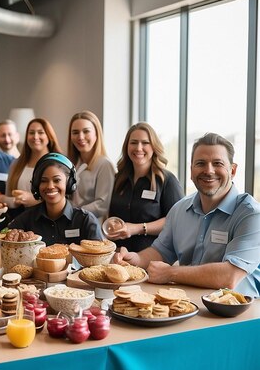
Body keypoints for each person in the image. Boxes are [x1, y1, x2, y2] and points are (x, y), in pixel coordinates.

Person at [114, 133, 260, 297]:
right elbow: (160, 251)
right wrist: (135, 260)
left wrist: (171, 273)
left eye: (217, 163)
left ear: (232, 170)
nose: (208, 170)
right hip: (188, 306)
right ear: (191, 171)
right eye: (200, 163)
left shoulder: (251, 215)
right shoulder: (179, 210)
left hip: (240, 317)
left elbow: (230, 276)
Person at [106, 122, 184, 252]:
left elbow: (177, 220)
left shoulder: (167, 180)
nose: (138, 148)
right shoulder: (118, 179)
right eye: (134, 142)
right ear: (126, 147)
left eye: (145, 143)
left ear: (154, 147)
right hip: (119, 256)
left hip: (153, 256)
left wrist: (137, 228)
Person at [8, 153, 102, 245]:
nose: (50, 186)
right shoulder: (26, 218)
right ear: (37, 185)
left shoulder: (86, 220)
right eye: (43, 181)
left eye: (57, 180)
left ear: (69, 183)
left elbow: (100, 258)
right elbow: (4, 239)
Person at [0, 118, 63, 215]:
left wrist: (34, 200)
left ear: (49, 136)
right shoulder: (16, 164)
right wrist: (3, 198)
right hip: (20, 220)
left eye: (40, 132)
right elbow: (9, 197)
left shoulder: (58, 163)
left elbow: (65, 197)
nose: (35, 137)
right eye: (31, 133)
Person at [67, 110, 116, 221]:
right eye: (75, 132)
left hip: (91, 225)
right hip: (70, 224)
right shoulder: (72, 164)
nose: (80, 137)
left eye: (86, 131)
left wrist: (72, 211)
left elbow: (101, 205)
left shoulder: (104, 165)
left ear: (96, 134)